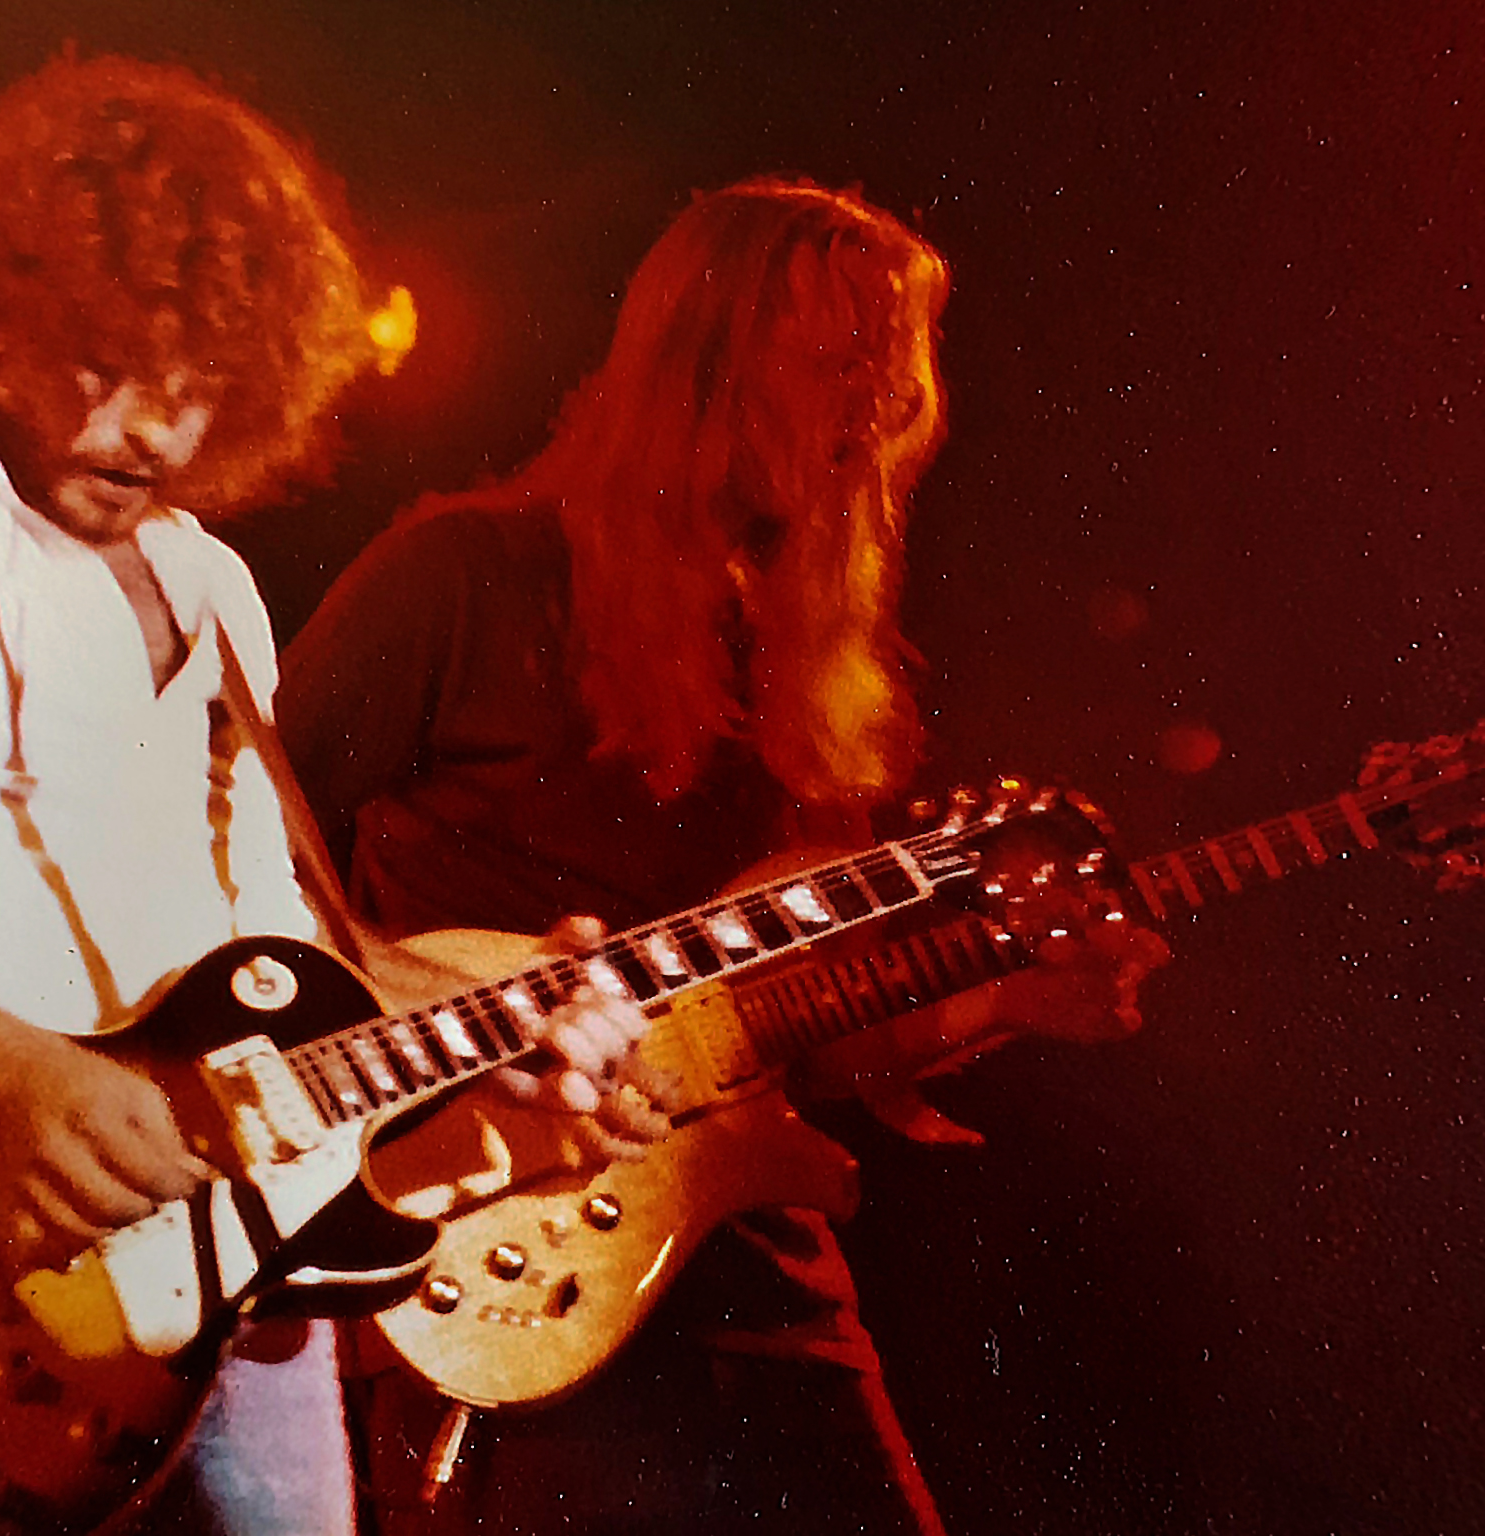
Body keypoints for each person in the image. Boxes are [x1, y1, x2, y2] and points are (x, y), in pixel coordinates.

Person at [0, 54, 662, 1536]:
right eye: (106, 361)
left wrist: (490, 1031)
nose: (153, 430)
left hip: (232, 1295)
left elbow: (284, 958)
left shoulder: (215, 588)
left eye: (202, 385)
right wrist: (11, 1082)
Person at [277, 177, 1167, 1533]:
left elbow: (792, 1029)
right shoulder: (464, 575)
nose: (878, 405)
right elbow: (233, 867)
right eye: (840, 359)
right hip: (502, 1248)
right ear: (706, 364)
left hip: (753, 1268)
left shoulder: (800, 659)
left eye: (895, 370)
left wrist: (1004, 998)